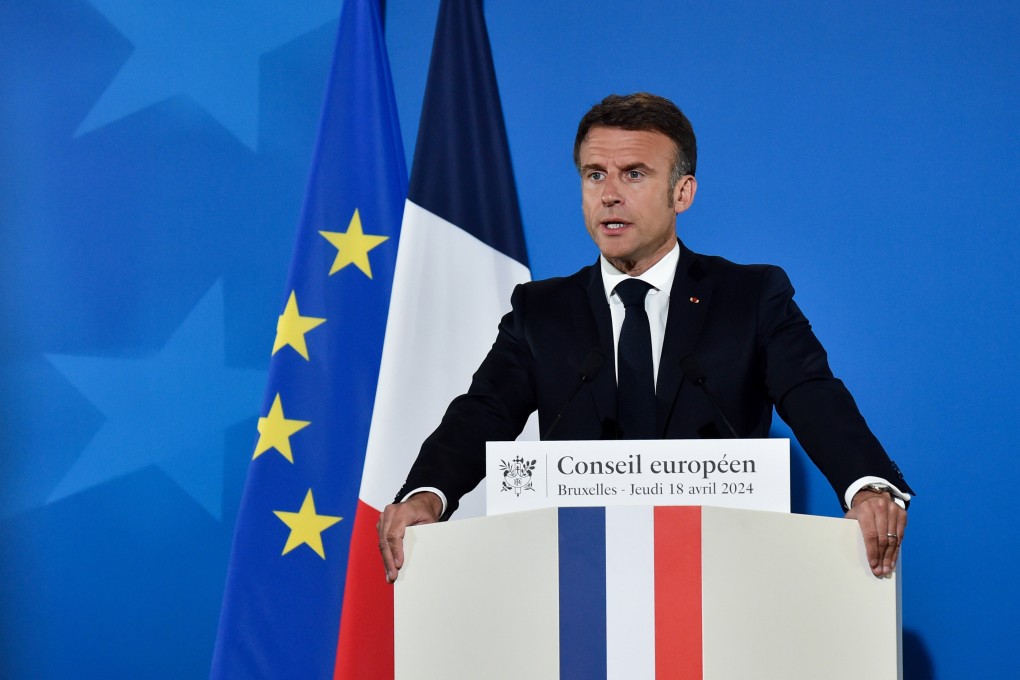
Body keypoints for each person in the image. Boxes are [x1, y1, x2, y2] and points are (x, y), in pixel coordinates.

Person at [377, 92, 913, 582]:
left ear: (682, 192)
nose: (609, 194)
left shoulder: (749, 296)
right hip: (576, 579)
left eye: (633, 174)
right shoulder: (541, 310)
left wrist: (866, 484)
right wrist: (428, 493)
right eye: (594, 175)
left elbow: (811, 392)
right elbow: (483, 412)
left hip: (722, 573)